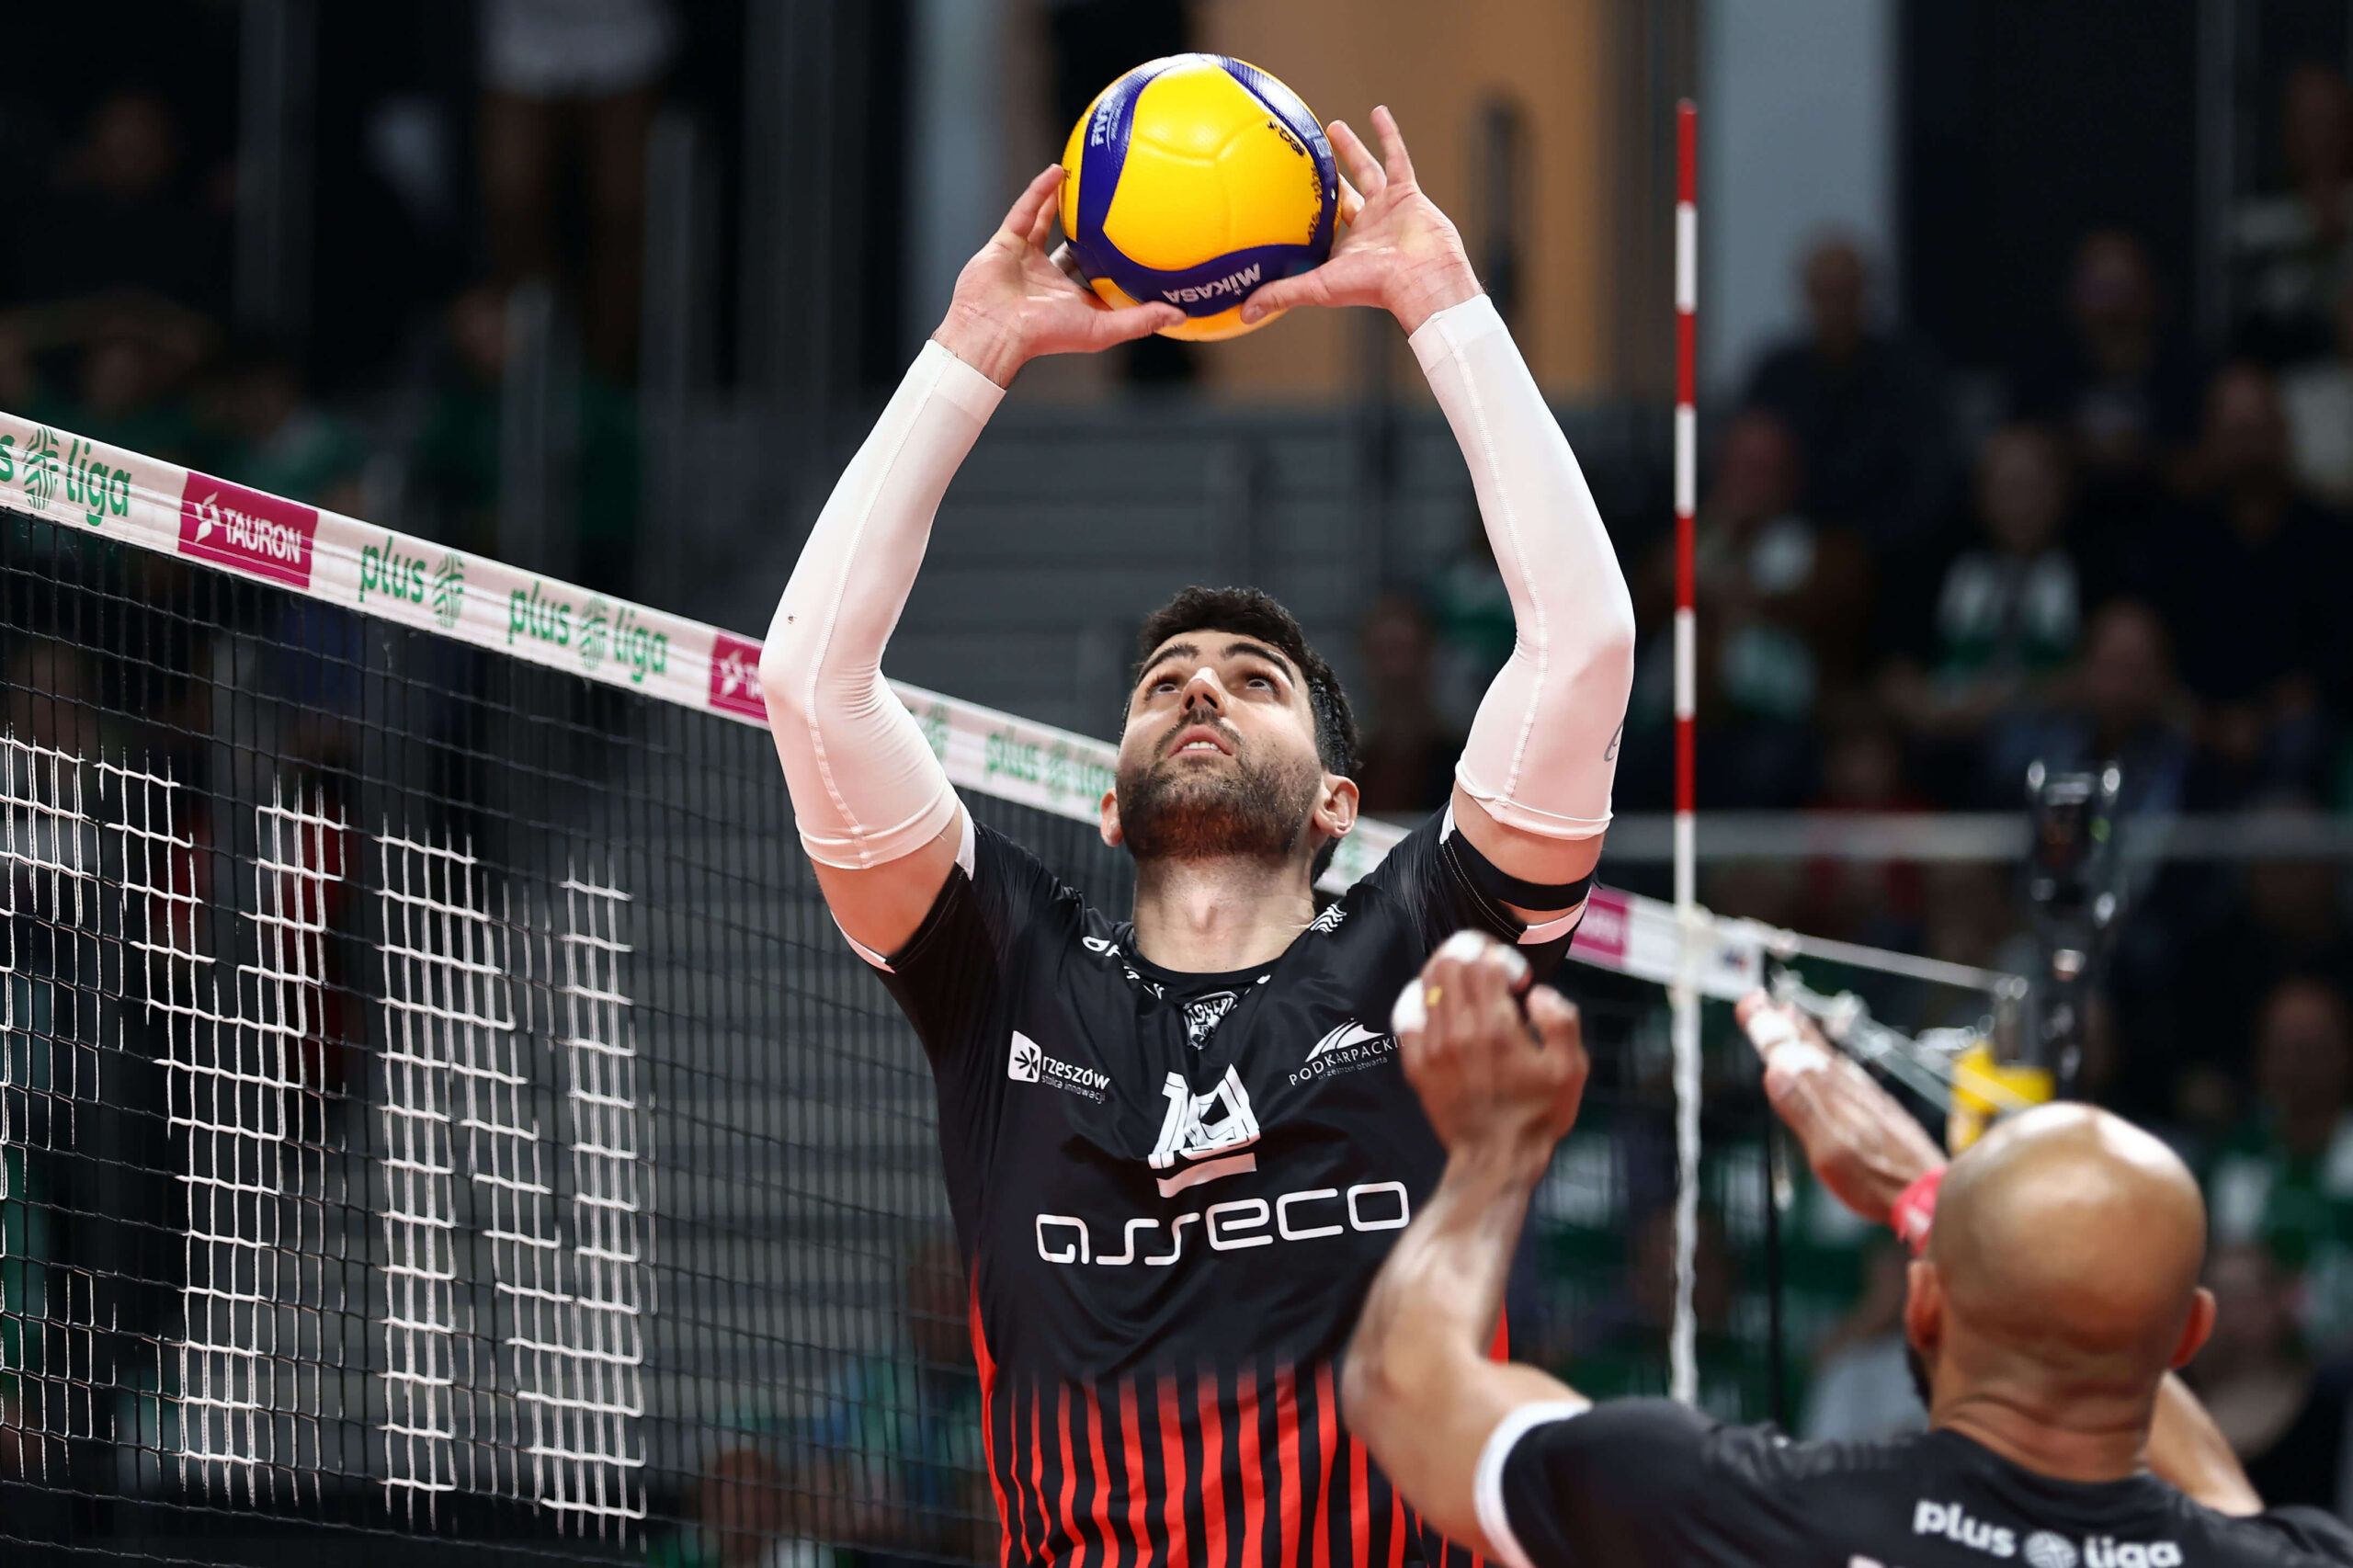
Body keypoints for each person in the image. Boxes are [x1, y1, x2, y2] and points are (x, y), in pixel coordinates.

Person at [756, 107, 1635, 1568]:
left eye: (1255, 680)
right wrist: (977, 344)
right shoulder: (1009, 972)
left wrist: (1438, 296)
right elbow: (809, 682)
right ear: (1111, 799)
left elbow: (1586, 642)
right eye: (1164, 682)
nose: (1202, 689)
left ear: (1340, 801)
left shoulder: (1423, 950)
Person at [1345, 930, 2353, 1568]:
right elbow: (2224, 1503)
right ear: (2186, 1337)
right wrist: (1938, 1206)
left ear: (1922, 1305)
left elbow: (1402, 1387)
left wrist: (1495, 1153)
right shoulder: (2292, 1555)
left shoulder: (1741, 1510)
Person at [1741, 235, 1955, 552]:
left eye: (1845, 291)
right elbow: (1747, 467)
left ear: (1865, 293)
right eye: (1824, 292)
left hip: (1889, 547)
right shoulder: (1776, 375)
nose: (1835, 306)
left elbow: (1928, 479)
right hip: (1787, 543)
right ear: (1806, 295)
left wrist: (1863, 542)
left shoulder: (1909, 372)